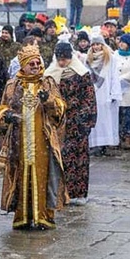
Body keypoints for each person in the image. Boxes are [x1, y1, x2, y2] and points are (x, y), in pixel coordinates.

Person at [0, 44, 67, 230]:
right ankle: (23, 217)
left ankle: (43, 216)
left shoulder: (47, 82)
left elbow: (60, 109)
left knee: (44, 178)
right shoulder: (13, 85)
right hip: (19, 141)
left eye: (38, 62)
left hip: (42, 141)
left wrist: (48, 101)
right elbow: (2, 107)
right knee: (20, 176)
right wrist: (6, 116)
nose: (36, 66)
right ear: (23, 66)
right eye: (31, 63)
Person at [44, 42, 97, 205]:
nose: (62, 63)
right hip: (58, 123)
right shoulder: (50, 74)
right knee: (59, 158)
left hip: (77, 123)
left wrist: (84, 118)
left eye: (65, 59)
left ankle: (77, 193)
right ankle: (59, 192)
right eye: (59, 59)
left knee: (78, 159)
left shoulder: (81, 73)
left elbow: (89, 98)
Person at [87, 33, 122, 155]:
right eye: (94, 44)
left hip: (106, 92)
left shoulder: (110, 59)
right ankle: (96, 145)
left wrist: (114, 93)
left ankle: (105, 145)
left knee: (106, 120)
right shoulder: (88, 60)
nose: (96, 47)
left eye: (98, 44)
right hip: (94, 93)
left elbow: (114, 77)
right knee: (95, 121)